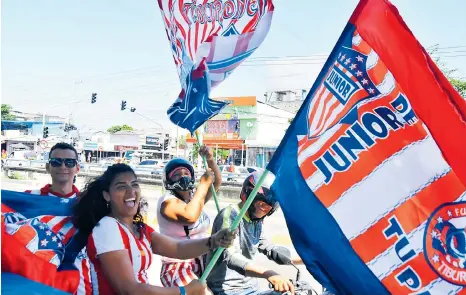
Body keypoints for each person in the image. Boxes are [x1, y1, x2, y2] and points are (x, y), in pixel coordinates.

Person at [73, 163, 236, 295]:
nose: (131, 191)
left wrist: (213, 241)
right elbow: (129, 289)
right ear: (107, 195)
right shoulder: (107, 227)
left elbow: (178, 249)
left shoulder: (140, 229)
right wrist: (184, 291)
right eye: (121, 187)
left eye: (134, 184)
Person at [206, 171, 295, 295]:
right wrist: (269, 273)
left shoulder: (257, 220)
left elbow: (267, 247)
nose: (263, 210)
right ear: (247, 197)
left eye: (268, 207)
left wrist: (306, 259)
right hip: (227, 289)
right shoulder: (230, 215)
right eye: (261, 205)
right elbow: (231, 256)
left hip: (252, 287)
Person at [157, 146, 222, 288]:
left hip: (204, 261)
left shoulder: (195, 200)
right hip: (178, 265)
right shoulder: (166, 202)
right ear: (168, 180)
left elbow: (216, 182)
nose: (183, 177)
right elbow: (190, 216)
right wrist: (203, 185)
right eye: (177, 174)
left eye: (186, 173)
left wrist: (210, 160)